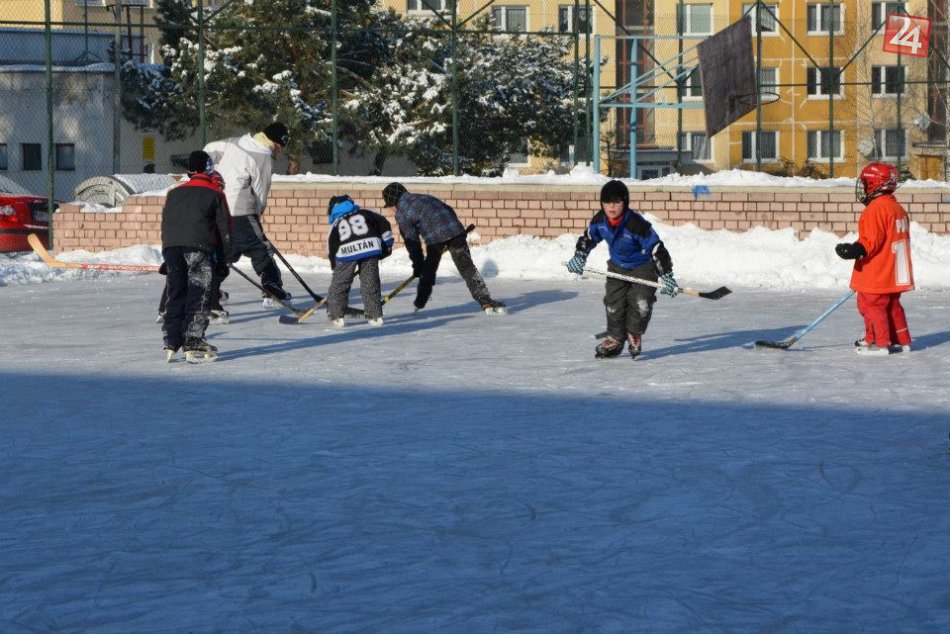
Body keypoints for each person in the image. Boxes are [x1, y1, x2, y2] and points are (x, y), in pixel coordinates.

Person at [566, 179, 678, 360]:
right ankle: (616, 338)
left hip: (643, 268)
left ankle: (634, 333)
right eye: (607, 202)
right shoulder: (600, 221)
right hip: (617, 267)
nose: (611, 207)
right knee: (613, 303)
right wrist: (580, 256)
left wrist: (667, 275)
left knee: (640, 303)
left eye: (617, 202)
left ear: (625, 203)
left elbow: (657, 248)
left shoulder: (636, 224)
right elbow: (588, 238)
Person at [381, 182, 506, 315]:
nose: (391, 209)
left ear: (394, 202)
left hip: (436, 237)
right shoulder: (424, 197)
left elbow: (412, 242)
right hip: (456, 231)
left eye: (390, 206)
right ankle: (485, 301)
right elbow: (446, 211)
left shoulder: (401, 213)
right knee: (467, 268)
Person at [204, 122, 290, 308]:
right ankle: (272, 288)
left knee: (226, 254)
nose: (280, 151)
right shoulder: (263, 157)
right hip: (241, 211)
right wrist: (257, 215)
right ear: (276, 143)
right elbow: (260, 192)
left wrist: (208, 172)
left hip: (219, 208)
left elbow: (209, 149)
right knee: (262, 249)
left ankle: (208, 292)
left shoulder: (236, 142)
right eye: (281, 147)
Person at [835, 161, 914, 356]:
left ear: (874, 183)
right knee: (892, 306)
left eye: (865, 183)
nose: (862, 187)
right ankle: (900, 340)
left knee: (871, 305)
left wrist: (854, 250)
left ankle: (881, 343)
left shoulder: (875, 209)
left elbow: (872, 240)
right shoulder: (897, 209)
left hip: (878, 271)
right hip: (895, 271)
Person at [160, 150, 231, 363]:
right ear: (209, 169)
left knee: (176, 293)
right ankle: (193, 340)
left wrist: (167, 254)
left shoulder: (174, 193)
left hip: (172, 248)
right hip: (199, 248)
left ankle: (171, 341)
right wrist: (223, 261)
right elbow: (225, 231)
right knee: (199, 294)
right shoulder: (215, 194)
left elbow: (167, 225)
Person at [325, 195, 395, 327]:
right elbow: (384, 223)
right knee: (370, 282)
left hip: (347, 251)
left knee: (340, 283)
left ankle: (335, 314)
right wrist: (388, 242)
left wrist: (334, 265)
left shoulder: (337, 222)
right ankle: (374, 315)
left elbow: (332, 244)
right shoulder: (366, 213)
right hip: (370, 247)